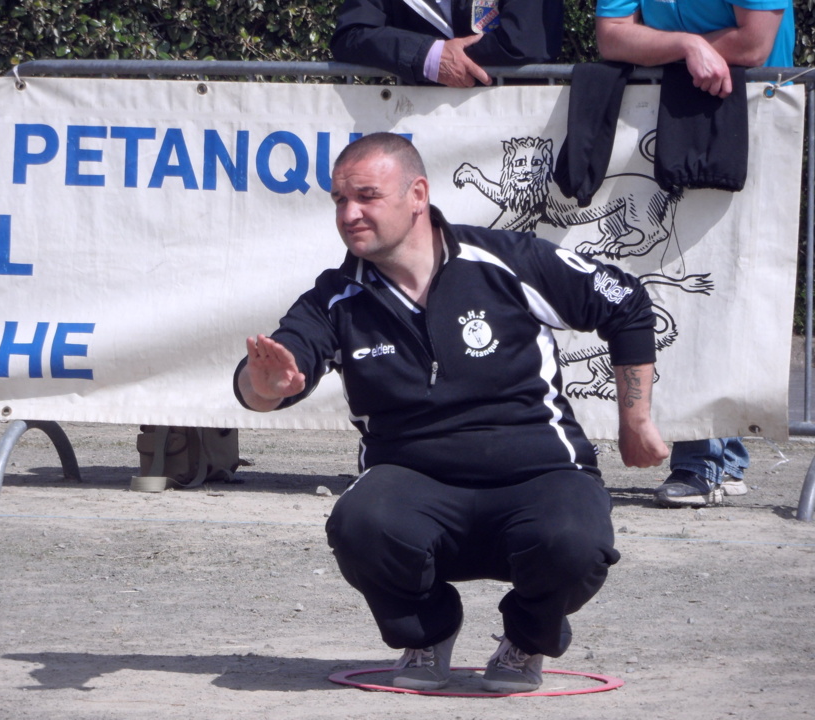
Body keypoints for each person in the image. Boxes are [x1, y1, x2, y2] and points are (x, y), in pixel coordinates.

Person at [234, 133, 669, 692]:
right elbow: (269, 374)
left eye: (366, 196)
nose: (349, 213)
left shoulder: (506, 260)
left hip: (538, 475)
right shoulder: (336, 297)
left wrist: (636, 422)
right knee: (359, 523)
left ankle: (526, 641)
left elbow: (626, 302)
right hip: (417, 484)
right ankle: (426, 632)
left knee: (575, 540)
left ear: (418, 194)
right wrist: (267, 383)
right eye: (339, 200)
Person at [595, 0, 795, 507]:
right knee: (672, 277)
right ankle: (712, 460)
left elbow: (754, 44)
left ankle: (709, 459)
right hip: (667, 108)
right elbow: (612, 36)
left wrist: (669, 52)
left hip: (752, 108)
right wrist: (688, 47)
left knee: (724, 277)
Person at [330, 0, 564, 87]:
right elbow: (350, 36)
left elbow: (528, 45)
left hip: (510, 135)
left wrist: (451, 59)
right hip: (422, 131)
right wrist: (427, 56)